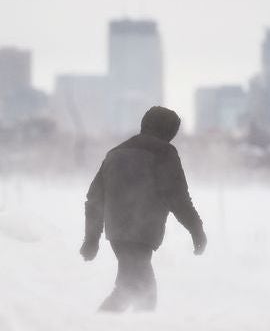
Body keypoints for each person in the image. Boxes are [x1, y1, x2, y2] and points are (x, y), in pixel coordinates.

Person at [80, 106, 207, 312]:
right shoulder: (164, 152)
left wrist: (91, 239)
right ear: (169, 131)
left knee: (133, 290)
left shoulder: (115, 153)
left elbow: (94, 199)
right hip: (142, 233)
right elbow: (178, 197)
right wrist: (197, 230)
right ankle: (97, 324)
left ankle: (108, 323)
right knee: (140, 293)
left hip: (118, 235)